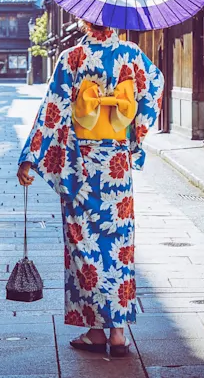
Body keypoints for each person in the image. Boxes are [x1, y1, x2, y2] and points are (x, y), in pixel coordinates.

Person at [16, 21, 163, 357]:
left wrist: (30, 158)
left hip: (81, 164)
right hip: (116, 166)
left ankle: (95, 332)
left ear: (84, 20)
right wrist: (133, 136)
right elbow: (154, 88)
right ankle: (117, 334)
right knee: (119, 246)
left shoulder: (73, 57)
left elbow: (52, 112)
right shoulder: (132, 55)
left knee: (84, 246)